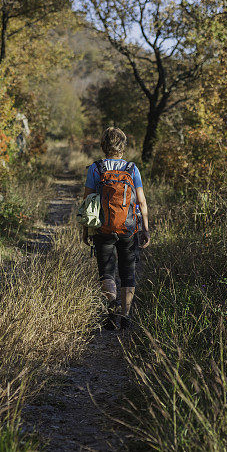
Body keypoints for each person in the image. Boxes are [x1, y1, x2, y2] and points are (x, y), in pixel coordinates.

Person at [82, 127, 150, 329]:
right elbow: (142, 201)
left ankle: (112, 311)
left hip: (103, 228)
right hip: (129, 228)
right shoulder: (132, 169)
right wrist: (145, 229)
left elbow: (88, 202)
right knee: (128, 272)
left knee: (107, 272)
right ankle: (126, 316)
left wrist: (86, 230)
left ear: (104, 145)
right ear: (123, 146)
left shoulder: (96, 168)